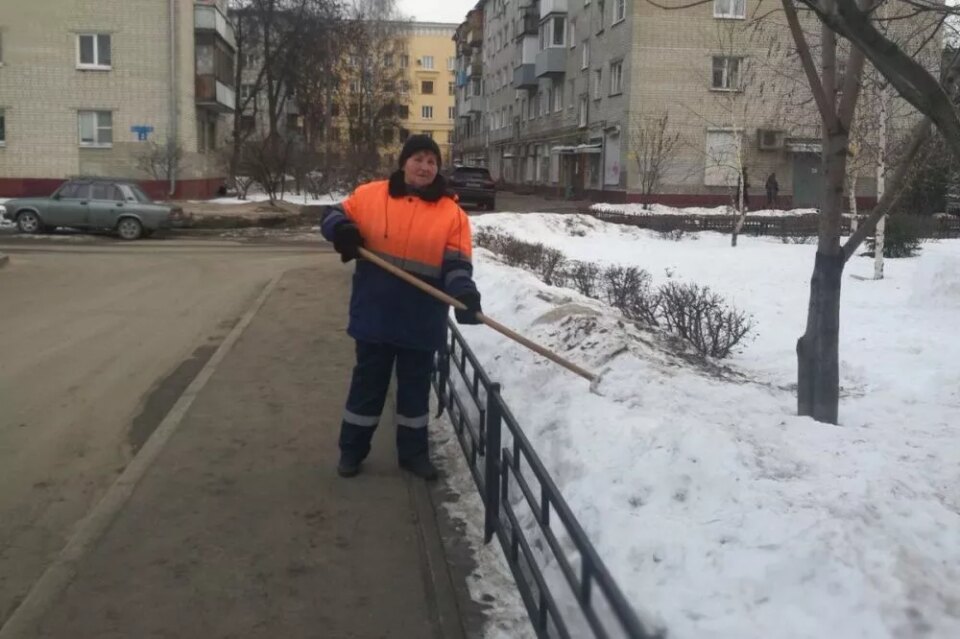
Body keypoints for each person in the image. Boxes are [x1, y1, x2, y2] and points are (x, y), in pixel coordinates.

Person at [320, 135, 482, 481]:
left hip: (420, 320)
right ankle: (351, 451)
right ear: (403, 162)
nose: (424, 167)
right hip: (375, 314)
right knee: (367, 387)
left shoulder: (452, 214)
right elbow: (332, 215)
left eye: (431, 162)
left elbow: (456, 264)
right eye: (418, 159)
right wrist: (343, 230)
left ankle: (413, 454)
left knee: (414, 393)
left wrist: (465, 294)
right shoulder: (370, 196)